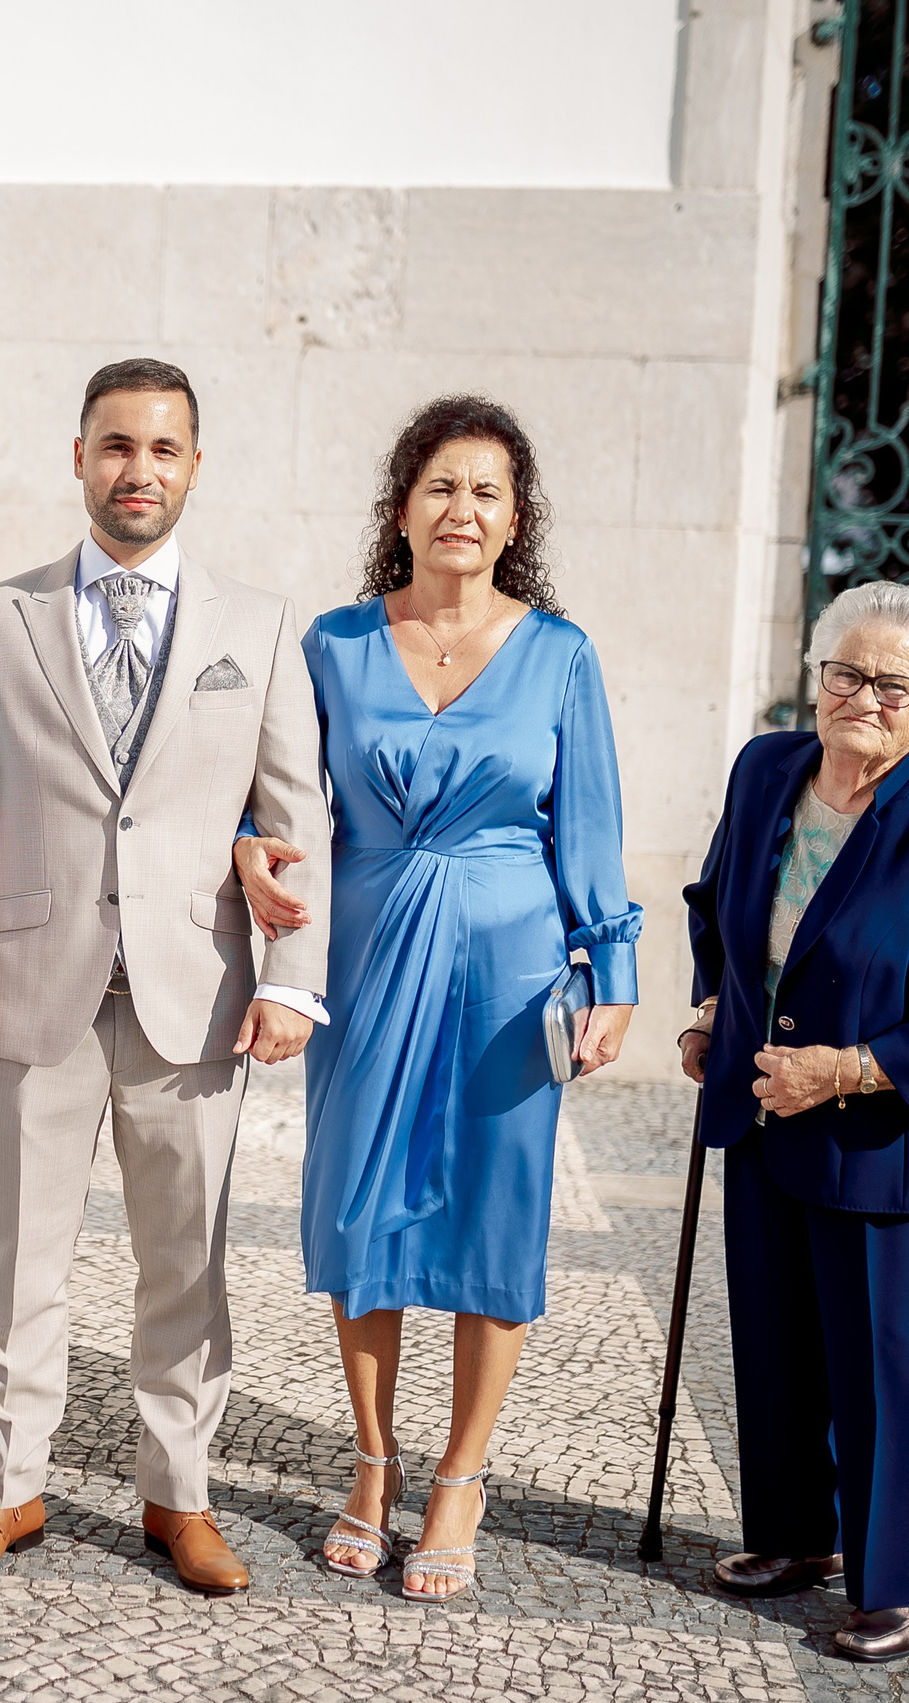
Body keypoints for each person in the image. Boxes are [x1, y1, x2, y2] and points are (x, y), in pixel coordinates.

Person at [0, 358, 332, 1596]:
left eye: (162, 448)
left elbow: (296, 813)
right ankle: (3, 1492)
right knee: (19, 1253)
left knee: (184, 1258)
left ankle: (179, 1497)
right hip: (28, 981)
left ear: (195, 464)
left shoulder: (256, 626)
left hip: (193, 987)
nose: (137, 470)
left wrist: (291, 978)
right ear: (79, 456)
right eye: (114, 446)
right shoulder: (0, 614)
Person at [235, 394, 640, 1604]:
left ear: (515, 519)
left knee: (492, 1213)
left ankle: (459, 1474)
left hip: (511, 969)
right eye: (441, 487)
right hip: (362, 956)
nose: (462, 509)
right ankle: (371, 1461)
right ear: (401, 506)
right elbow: (279, 796)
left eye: (488, 492)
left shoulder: (560, 653)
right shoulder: (335, 644)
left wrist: (608, 971)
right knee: (362, 1214)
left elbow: (592, 827)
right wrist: (249, 846)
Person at [678, 578, 909, 1663]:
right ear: (815, 673)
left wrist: (848, 1069)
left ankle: (904, 1576)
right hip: (762, 1109)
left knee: (884, 1360)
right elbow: (717, 900)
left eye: (891, 683)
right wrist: (710, 1008)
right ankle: (794, 1535)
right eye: (845, 671)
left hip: (878, 1136)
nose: (861, 697)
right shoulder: (766, 768)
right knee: (776, 1341)